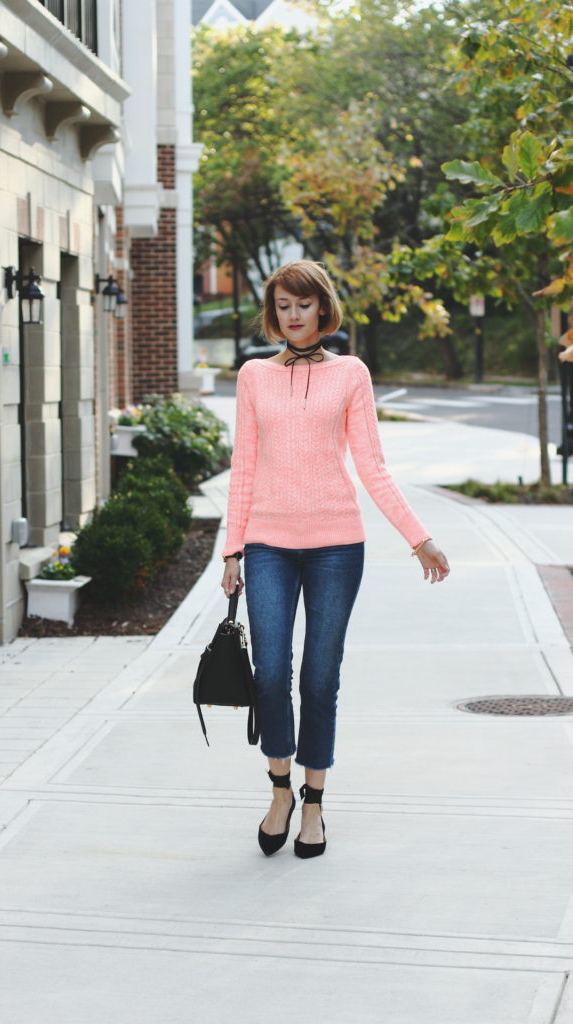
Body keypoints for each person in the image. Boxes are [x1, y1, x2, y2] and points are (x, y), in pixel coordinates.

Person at [220, 260, 450, 860]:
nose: (293, 315)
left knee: (319, 677)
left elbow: (372, 465)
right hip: (268, 544)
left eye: (303, 304)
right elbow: (243, 468)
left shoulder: (351, 373)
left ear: (322, 308)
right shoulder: (252, 376)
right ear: (274, 314)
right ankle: (279, 791)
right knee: (270, 672)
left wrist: (417, 536)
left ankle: (314, 802)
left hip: (336, 547)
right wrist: (232, 550)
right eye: (283, 306)